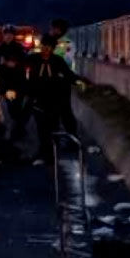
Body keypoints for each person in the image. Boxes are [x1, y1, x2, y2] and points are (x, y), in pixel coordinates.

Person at [25, 34, 84, 164]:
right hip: (37, 98)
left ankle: (52, 151)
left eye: (48, 47)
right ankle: (43, 150)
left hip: (53, 98)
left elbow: (68, 74)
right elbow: (19, 65)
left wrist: (78, 81)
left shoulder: (57, 60)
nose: (45, 49)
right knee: (41, 126)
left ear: (52, 48)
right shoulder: (33, 59)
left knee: (53, 125)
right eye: (43, 46)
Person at [0, 25, 28, 141]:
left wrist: (15, 64)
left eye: (10, 34)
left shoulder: (19, 49)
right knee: (12, 107)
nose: (8, 36)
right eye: (6, 34)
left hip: (19, 84)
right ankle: (18, 129)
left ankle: (19, 130)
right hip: (6, 85)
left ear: (13, 36)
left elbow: (26, 62)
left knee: (17, 107)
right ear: (3, 35)